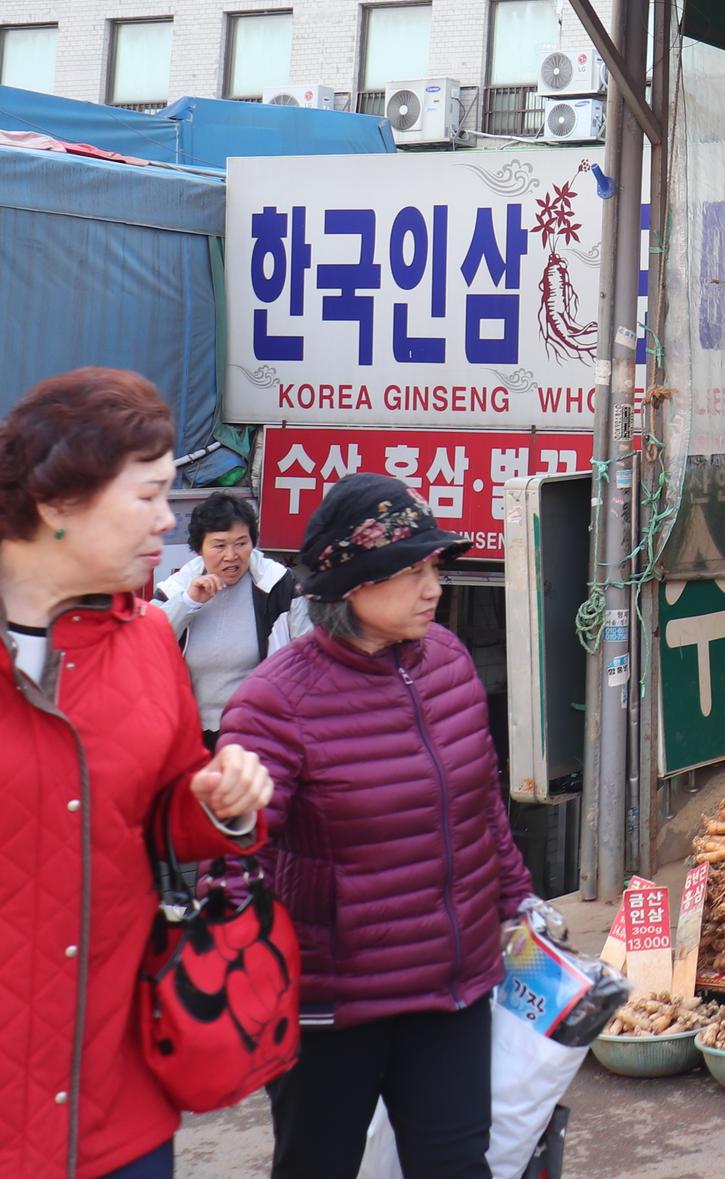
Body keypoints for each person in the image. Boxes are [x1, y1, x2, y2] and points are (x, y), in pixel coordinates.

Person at [219, 473, 540, 1179]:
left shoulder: (449, 664)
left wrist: (518, 902)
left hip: (451, 983)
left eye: (434, 568)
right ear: (354, 584)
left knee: (457, 1164)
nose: (434, 587)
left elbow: (482, 802)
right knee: (317, 1165)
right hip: (334, 1002)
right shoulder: (275, 702)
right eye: (411, 571)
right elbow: (234, 857)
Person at [2, 368, 274, 1179]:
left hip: (115, 1106)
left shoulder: (150, 637)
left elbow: (157, 812)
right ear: (57, 502)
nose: (170, 519)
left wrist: (217, 801)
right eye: (149, 494)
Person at [152, 492, 301, 743]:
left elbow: (307, 652)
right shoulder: (176, 589)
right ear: (199, 549)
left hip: (257, 731)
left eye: (241, 543)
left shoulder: (279, 586)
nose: (231, 555)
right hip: (188, 734)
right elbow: (147, 642)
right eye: (219, 545)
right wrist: (188, 603)